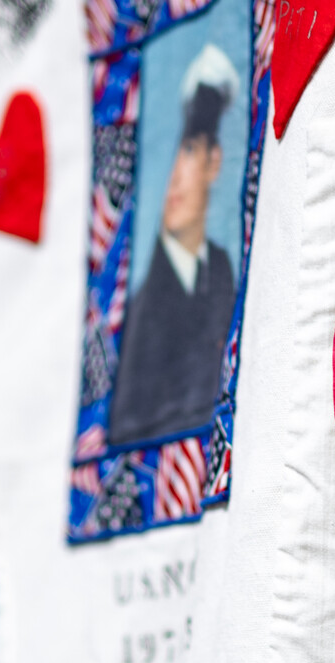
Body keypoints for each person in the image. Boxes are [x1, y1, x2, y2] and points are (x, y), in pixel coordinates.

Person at [105, 43, 242, 445]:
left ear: (214, 162)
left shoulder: (221, 270)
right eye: (171, 157)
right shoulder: (144, 312)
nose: (175, 179)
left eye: (189, 152)